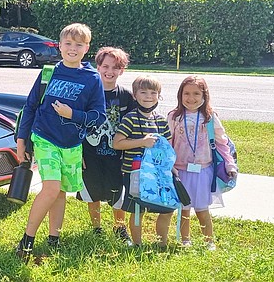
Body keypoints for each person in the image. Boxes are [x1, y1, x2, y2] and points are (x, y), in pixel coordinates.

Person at [15, 23, 106, 257]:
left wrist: (72, 114)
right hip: (45, 138)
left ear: (87, 48)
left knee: (61, 191)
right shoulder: (48, 72)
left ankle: (54, 238)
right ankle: (27, 241)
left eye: (79, 45)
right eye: (68, 43)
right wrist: (22, 140)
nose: (73, 48)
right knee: (51, 187)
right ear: (60, 45)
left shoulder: (92, 78)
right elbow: (30, 106)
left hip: (72, 144)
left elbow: (99, 116)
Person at [167, 75, 237, 251]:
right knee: (184, 209)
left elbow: (222, 143)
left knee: (202, 209)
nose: (191, 98)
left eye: (196, 94)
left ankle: (209, 241)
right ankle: (185, 240)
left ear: (204, 95)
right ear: (180, 95)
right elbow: (167, 143)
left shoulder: (210, 117)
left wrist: (229, 164)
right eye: (186, 93)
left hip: (203, 171)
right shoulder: (174, 117)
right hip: (180, 171)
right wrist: (169, 165)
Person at [78, 47, 136, 244]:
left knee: (117, 192)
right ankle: (96, 228)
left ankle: (120, 228)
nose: (110, 71)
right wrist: (79, 153)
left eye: (115, 67)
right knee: (92, 190)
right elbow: (77, 123)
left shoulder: (127, 96)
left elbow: (133, 125)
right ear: (98, 67)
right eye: (105, 66)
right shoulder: (88, 93)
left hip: (116, 155)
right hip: (90, 152)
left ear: (122, 70)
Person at [112, 75, 174, 248]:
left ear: (159, 95)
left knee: (167, 208)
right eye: (143, 92)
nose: (148, 96)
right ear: (135, 95)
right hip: (134, 173)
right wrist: (142, 142)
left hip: (157, 174)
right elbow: (117, 143)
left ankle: (162, 243)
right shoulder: (130, 118)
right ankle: (137, 244)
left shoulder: (161, 120)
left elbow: (167, 147)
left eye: (153, 93)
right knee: (137, 210)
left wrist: (171, 167)